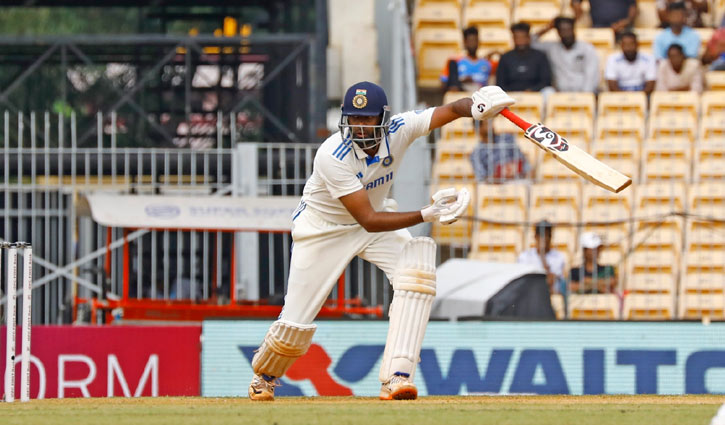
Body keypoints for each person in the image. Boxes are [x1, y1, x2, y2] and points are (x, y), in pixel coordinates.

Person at [246, 82, 515, 401]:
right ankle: (264, 377)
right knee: (296, 320)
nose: (360, 126)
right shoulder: (332, 155)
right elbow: (368, 220)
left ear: (383, 118)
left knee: (417, 273)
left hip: (374, 219)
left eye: (367, 118)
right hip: (323, 229)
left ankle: (397, 376)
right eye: (354, 118)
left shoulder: (400, 128)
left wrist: (476, 107)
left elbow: (451, 109)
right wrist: (428, 214)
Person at [533, 16, 600, 93]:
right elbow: (531, 42)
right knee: (547, 92)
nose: (567, 34)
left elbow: (591, 74)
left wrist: (585, 95)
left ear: (574, 30)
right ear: (558, 33)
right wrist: (548, 28)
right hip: (559, 93)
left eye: (569, 29)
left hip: (583, 93)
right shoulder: (552, 48)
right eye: (563, 30)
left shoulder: (587, 48)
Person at [495, 22, 553, 92]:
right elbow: (500, 83)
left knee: (549, 90)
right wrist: (511, 93)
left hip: (535, 93)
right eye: (517, 38)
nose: (520, 41)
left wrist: (532, 90)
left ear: (529, 38)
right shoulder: (505, 58)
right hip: (510, 94)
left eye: (523, 37)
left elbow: (546, 81)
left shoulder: (540, 56)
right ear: (513, 39)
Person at [470, 118, 531, 183]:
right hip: (496, 185)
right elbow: (482, 178)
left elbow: (524, 164)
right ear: (478, 129)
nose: (490, 126)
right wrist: (499, 175)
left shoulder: (507, 139)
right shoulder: (476, 154)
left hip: (519, 181)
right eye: (486, 124)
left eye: (490, 122)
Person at [517, 220, 567, 296]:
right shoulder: (525, 256)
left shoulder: (558, 257)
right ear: (535, 236)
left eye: (548, 235)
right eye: (542, 235)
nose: (545, 239)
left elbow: (551, 282)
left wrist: (543, 257)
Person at [441, 26, 493, 92]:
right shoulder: (455, 61)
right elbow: (443, 84)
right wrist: (460, 82)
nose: (473, 44)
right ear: (465, 43)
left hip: (482, 95)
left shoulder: (487, 63)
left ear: (478, 42)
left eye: (475, 40)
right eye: (470, 41)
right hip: (460, 94)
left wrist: (495, 52)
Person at [571, 0, 637, 33]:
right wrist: (577, 8)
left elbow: (633, 7)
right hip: (599, 28)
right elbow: (575, 1)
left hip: (623, 28)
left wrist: (625, 22)